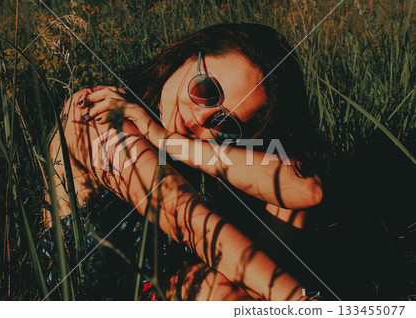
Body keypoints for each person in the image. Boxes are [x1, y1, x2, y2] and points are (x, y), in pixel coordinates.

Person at [47, 23, 323, 300]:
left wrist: (167, 140)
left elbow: (306, 189)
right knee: (215, 292)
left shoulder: (181, 141)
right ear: (189, 55)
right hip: (95, 295)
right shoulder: (94, 111)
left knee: (285, 206)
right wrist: (298, 302)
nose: (203, 118)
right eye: (206, 91)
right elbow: (180, 212)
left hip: (178, 282)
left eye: (224, 121)